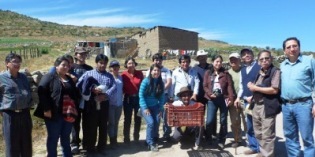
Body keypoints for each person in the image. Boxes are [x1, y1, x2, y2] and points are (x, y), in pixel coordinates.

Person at [35, 56, 80, 157]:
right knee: (53, 138)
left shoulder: (69, 79)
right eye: (63, 65)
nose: (65, 67)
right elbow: (42, 92)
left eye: (67, 66)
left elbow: (75, 95)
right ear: (56, 65)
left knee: (65, 137)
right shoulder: (49, 76)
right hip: (54, 114)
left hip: (68, 114)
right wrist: (46, 109)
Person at [280, 37, 315, 157]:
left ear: (299, 47)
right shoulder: (282, 65)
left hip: (304, 105)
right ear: (284, 50)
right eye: (288, 47)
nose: (292, 49)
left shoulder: (309, 61)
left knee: (307, 138)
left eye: (294, 46)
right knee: (290, 137)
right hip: (286, 105)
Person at [76, 54, 116, 156]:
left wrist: (105, 95)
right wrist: (90, 89)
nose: (103, 65)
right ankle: (90, 148)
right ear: (96, 63)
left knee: (103, 126)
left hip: (104, 103)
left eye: (105, 63)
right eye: (101, 63)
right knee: (91, 126)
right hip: (91, 103)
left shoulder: (109, 76)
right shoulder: (88, 73)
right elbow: (79, 85)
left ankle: (101, 147)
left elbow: (113, 87)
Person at [248, 50, 281, 157]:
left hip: (268, 106)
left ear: (271, 59)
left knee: (267, 134)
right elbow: (258, 89)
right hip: (256, 105)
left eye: (267, 58)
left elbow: (274, 90)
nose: (264, 61)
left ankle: (268, 155)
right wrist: (252, 96)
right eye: (262, 59)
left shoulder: (275, 71)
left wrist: (255, 87)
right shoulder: (259, 72)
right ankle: (263, 153)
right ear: (258, 62)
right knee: (258, 132)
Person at [0, 53, 33, 157]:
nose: (17, 64)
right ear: (7, 63)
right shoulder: (1, 78)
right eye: (14, 61)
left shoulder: (23, 77)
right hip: (10, 115)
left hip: (25, 114)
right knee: (12, 145)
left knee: (26, 144)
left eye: (19, 62)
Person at [203, 54, 234, 149]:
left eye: (220, 61)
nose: (218, 63)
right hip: (212, 99)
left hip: (223, 99)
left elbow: (229, 86)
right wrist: (209, 94)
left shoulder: (226, 74)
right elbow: (205, 86)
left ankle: (221, 140)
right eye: (216, 61)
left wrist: (231, 98)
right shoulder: (208, 73)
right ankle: (208, 138)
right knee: (209, 121)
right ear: (213, 62)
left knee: (223, 121)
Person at [234, 48, 260, 155]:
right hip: (246, 102)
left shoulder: (259, 67)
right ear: (242, 58)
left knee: (260, 125)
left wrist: (254, 96)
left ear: (252, 55)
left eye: (248, 53)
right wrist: (237, 98)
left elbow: (263, 83)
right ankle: (254, 146)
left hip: (258, 101)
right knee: (250, 125)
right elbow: (241, 86)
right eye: (244, 55)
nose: (246, 55)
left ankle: (262, 149)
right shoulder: (242, 70)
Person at [70, 47, 93, 154]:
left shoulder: (90, 68)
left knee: (87, 122)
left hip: (86, 99)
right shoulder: (71, 67)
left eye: (84, 54)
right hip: (74, 99)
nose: (82, 56)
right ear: (76, 55)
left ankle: (86, 143)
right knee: (75, 123)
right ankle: (74, 144)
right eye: (80, 54)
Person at [145, 53, 172, 141]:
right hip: (153, 97)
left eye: (160, 60)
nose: (158, 61)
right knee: (156, 117)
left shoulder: (166, 70)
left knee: (166, 116)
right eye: (156, 60)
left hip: (164, 96)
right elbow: (148, 83)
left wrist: (161, 90)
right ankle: (155, 135)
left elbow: (169, 82)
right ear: (153, 61)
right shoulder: (150, 70)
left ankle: (167, 134)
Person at [139, 64, 165, 152]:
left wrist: (161, 109)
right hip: (145, 106)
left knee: (157, 122)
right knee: (151, 123)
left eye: (158, 70)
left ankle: (150, 139)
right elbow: (141, 95)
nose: (156, 72)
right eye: (154, 70)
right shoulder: (145, 81)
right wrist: (145, 108)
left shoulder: (160, 83)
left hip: (155, 106)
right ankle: (150, 143)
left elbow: (161, 97)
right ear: (150, 71)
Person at [192, 50, 216, 139]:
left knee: (211, 116)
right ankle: (200, 132)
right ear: (198, 58)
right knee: (200, 115)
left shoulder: (211, 67)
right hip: (199, 95)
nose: (202, 58)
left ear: (206, 57)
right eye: (200, 57)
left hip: (210, 95)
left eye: (204, 56)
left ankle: (212, 133)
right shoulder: (194, 68)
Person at [121, 57, 144, 143]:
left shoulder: (139, 73)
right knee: (127, 119)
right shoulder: (123, 75)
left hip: (138, 99)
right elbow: (122, 88)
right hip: (128, 99)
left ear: (135, 64)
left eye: (132, 63)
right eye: (129, 63)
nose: (131, 65)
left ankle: (136, 137)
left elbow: (142, 86)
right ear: (126, 65)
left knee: (138, 118)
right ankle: (126, 138)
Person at [227, 52, 245, 147]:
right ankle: (237, 139)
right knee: (235, 121)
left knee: (247, 120)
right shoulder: (227, 73)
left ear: (239, 60)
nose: (233, 61)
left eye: (235, 59)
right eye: (231, 60)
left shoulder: (244, 71)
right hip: (233, 101)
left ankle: (252, 140)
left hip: (244, 100)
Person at [108, 60, 123, 149]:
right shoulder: (109, 77)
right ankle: (112, 141)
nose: (115, 68)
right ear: (111, 68)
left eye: (117, 66)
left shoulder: (120, 78)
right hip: (111, 104)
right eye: (113, 67)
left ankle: (115, 140)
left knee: (116, 122)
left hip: (119, 104)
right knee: (111, 123)